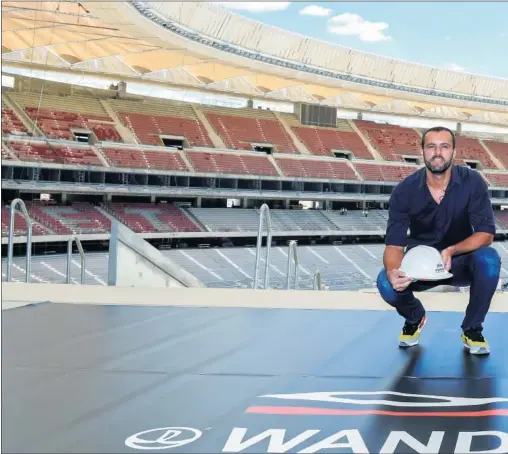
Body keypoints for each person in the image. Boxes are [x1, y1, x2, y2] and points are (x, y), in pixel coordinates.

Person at [376, 126, 501, 355]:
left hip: (459, 261)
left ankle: (472, 328)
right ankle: (415, 317)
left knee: (490, 260)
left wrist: (453, 250)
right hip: (420, 265)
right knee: (385, 282)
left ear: (453, 152)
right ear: (422, 151)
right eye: (431, 146)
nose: (437, 152)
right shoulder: (404, 191)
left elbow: (486, 233)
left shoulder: (473, 182)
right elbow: (394, 244)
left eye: (444, 146)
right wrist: (394, 271)